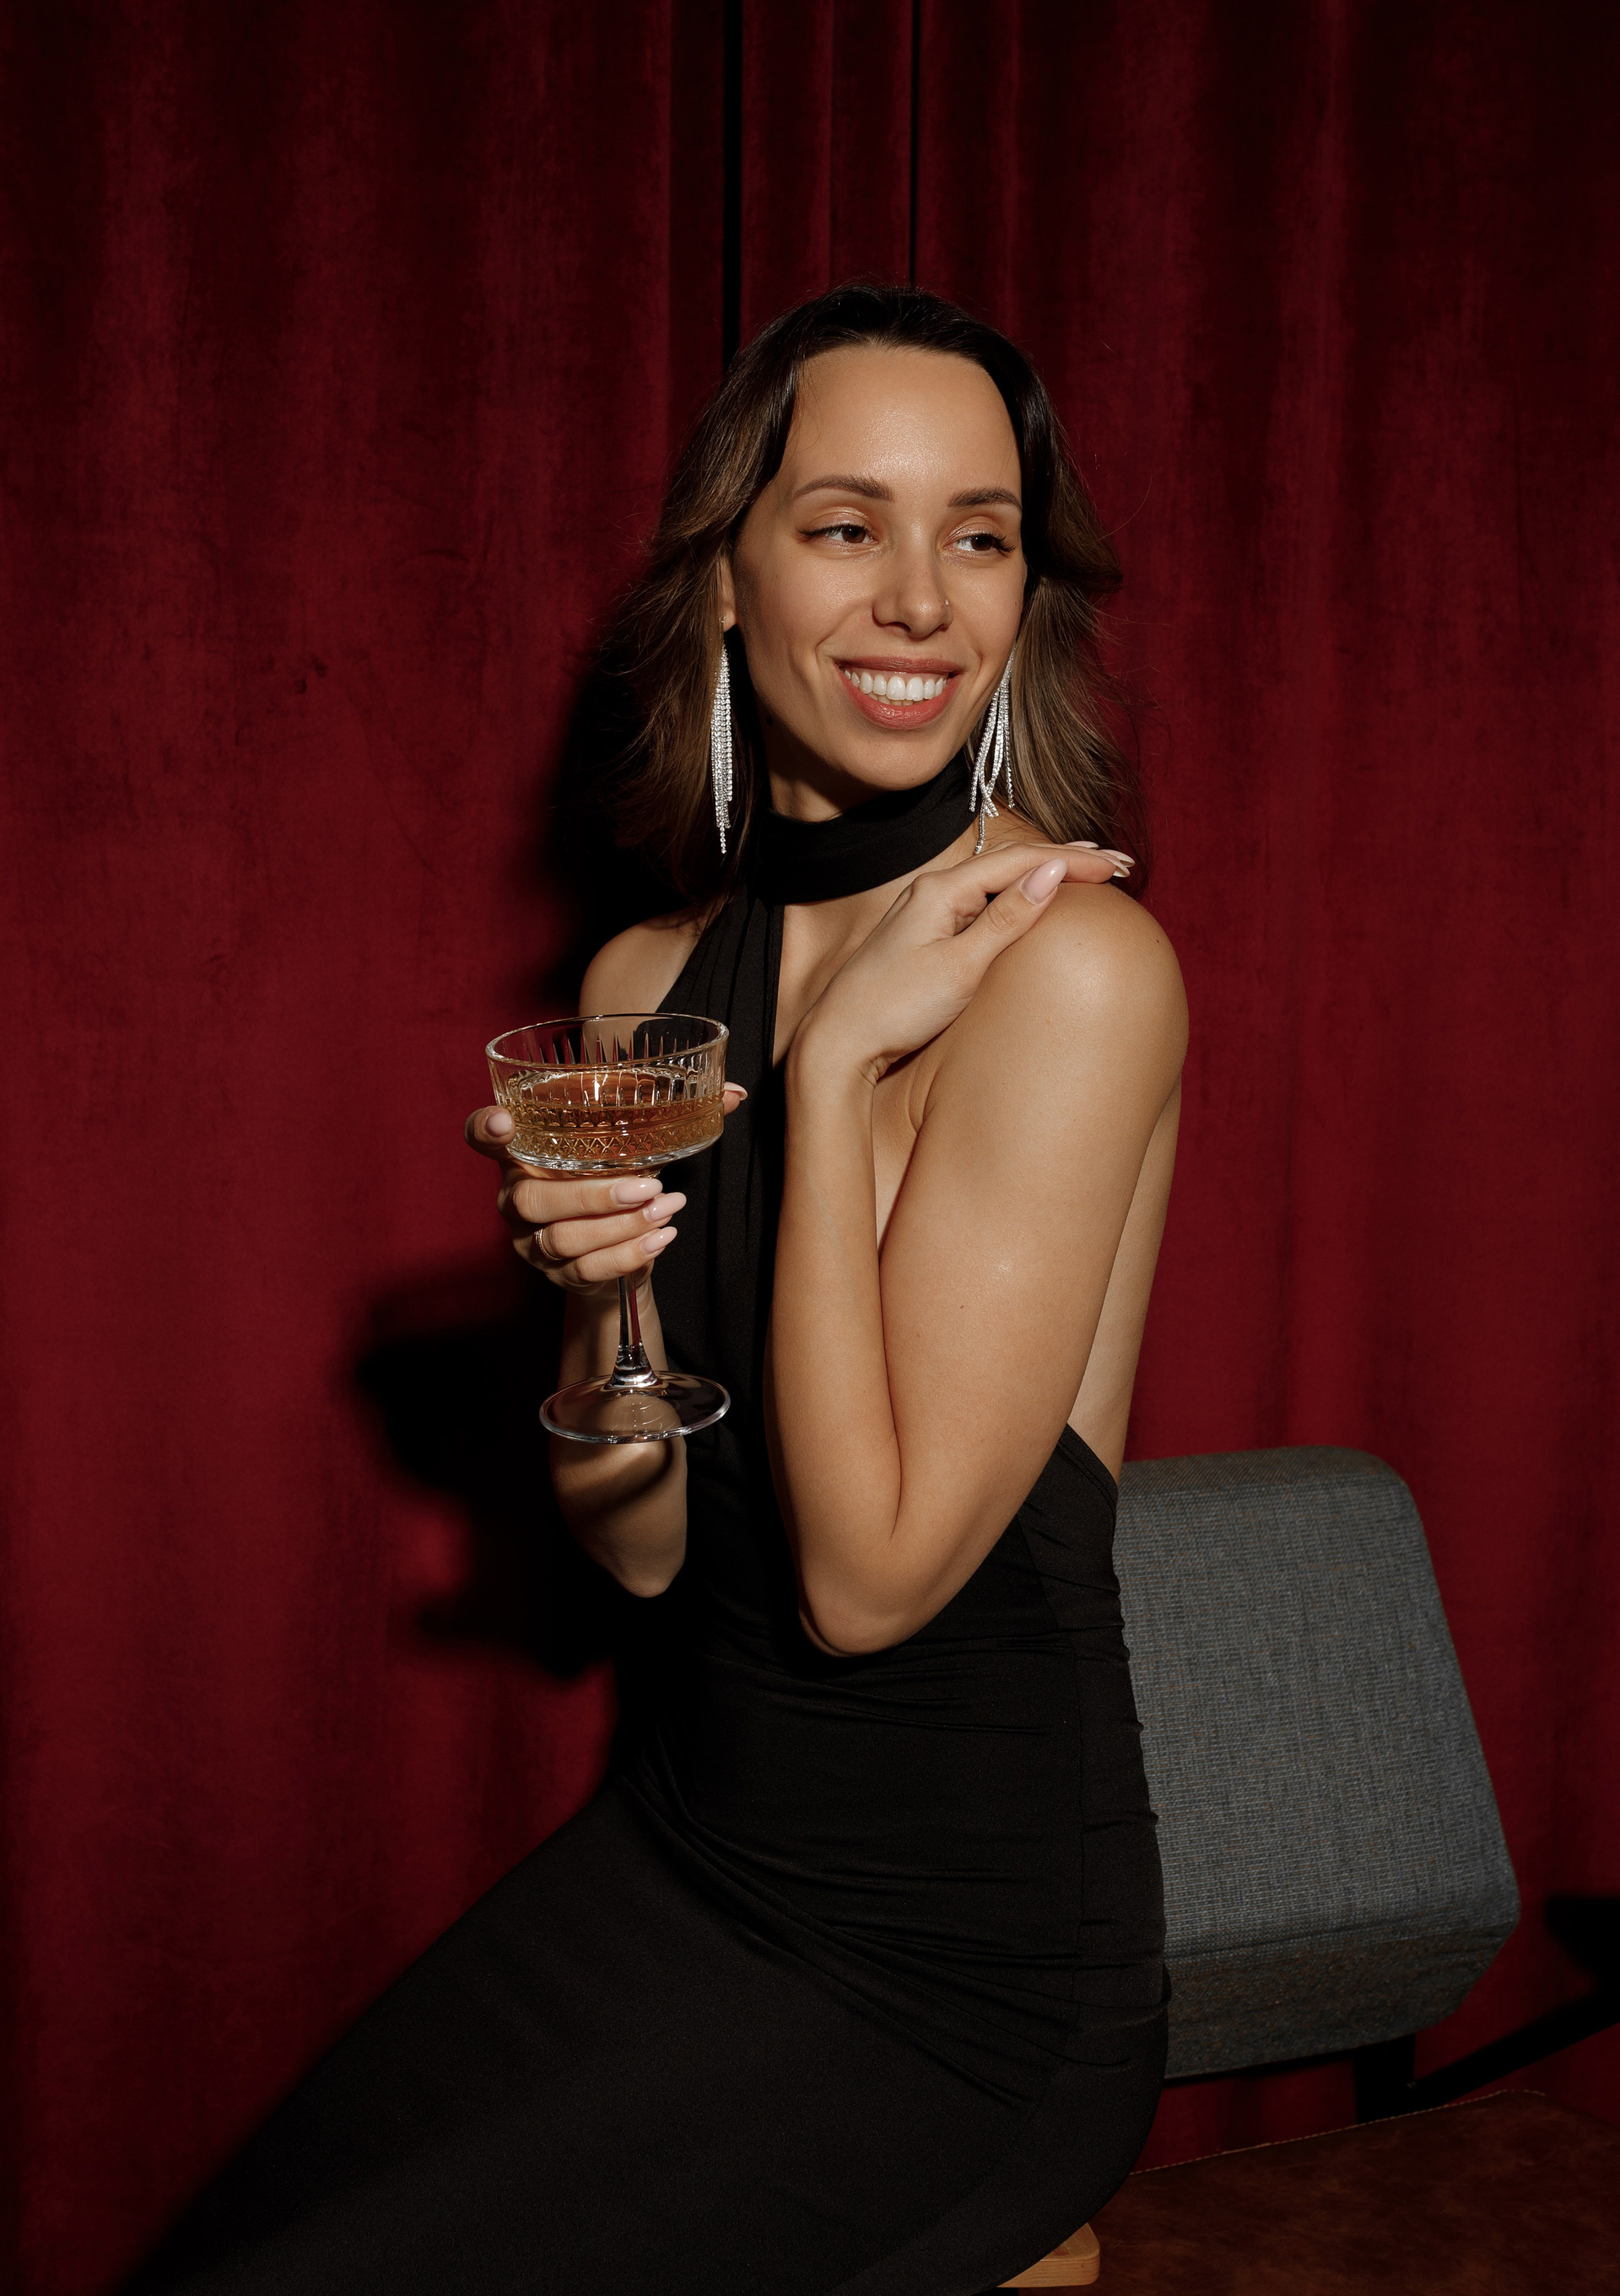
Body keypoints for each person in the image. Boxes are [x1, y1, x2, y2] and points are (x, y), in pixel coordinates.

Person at [124, 285, 1187, 2296]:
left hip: (956, 1974)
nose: (919, 598)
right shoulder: (642, 982)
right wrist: (600, 1293)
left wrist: (834, 1067)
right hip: (697, 1853)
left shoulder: (1070, 971)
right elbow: (637, 1550)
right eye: (845, 524)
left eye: (978, 535)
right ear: (725, 580)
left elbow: (868, 1580)